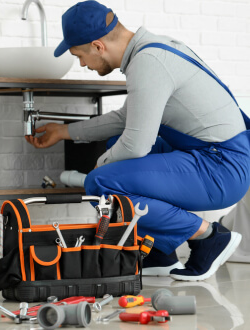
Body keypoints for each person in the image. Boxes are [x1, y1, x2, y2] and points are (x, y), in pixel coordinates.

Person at [25, 0, 250, 281]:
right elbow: (126, 119)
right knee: (113, 149)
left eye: (79, 55)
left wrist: (99, 169)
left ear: (98, 46)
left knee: (102, 181)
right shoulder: (152, 49)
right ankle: (160, 251)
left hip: (221, 167)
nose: (82, 64)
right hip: (215, 157)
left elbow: (136, 145)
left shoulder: (148, 63)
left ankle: (208, 237)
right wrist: (66, 132)